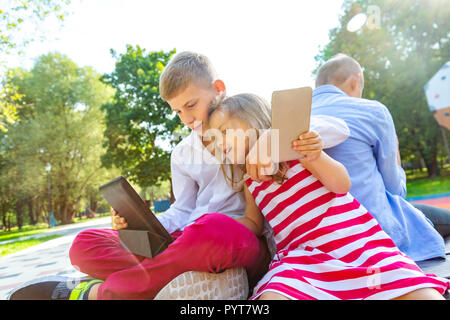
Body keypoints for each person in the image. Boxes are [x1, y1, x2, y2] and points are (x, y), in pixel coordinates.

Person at [8, 51, 350, 300]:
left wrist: (270, 143)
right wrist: (142, 222)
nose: (186, 118)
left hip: (235, 241)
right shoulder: (183, 152)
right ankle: (173, 275)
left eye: (191, 104)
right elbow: (183, 210)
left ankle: (102, 294)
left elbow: (335, 128)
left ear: (218, 87)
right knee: (85, 244)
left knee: (210, 231)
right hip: (187, 241)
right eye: (176, 111)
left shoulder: (248, 119)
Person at [207, 93, 449, 300]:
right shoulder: (250, 182)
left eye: (225, 131)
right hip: (306, 259)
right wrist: (215, 229)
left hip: (357, 245)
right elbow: (253, 222)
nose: (220, 143)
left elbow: (341, 184)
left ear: (253, 119)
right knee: (274, 294)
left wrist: (313, 156)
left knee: (416, 289)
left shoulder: (296, 150)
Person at [310, 53, 449, 262]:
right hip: (372, 233)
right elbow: (395, 190)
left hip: (315, 238)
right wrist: (398, 157)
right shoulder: (372, 111)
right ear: (356, 80)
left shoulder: (294, 120)